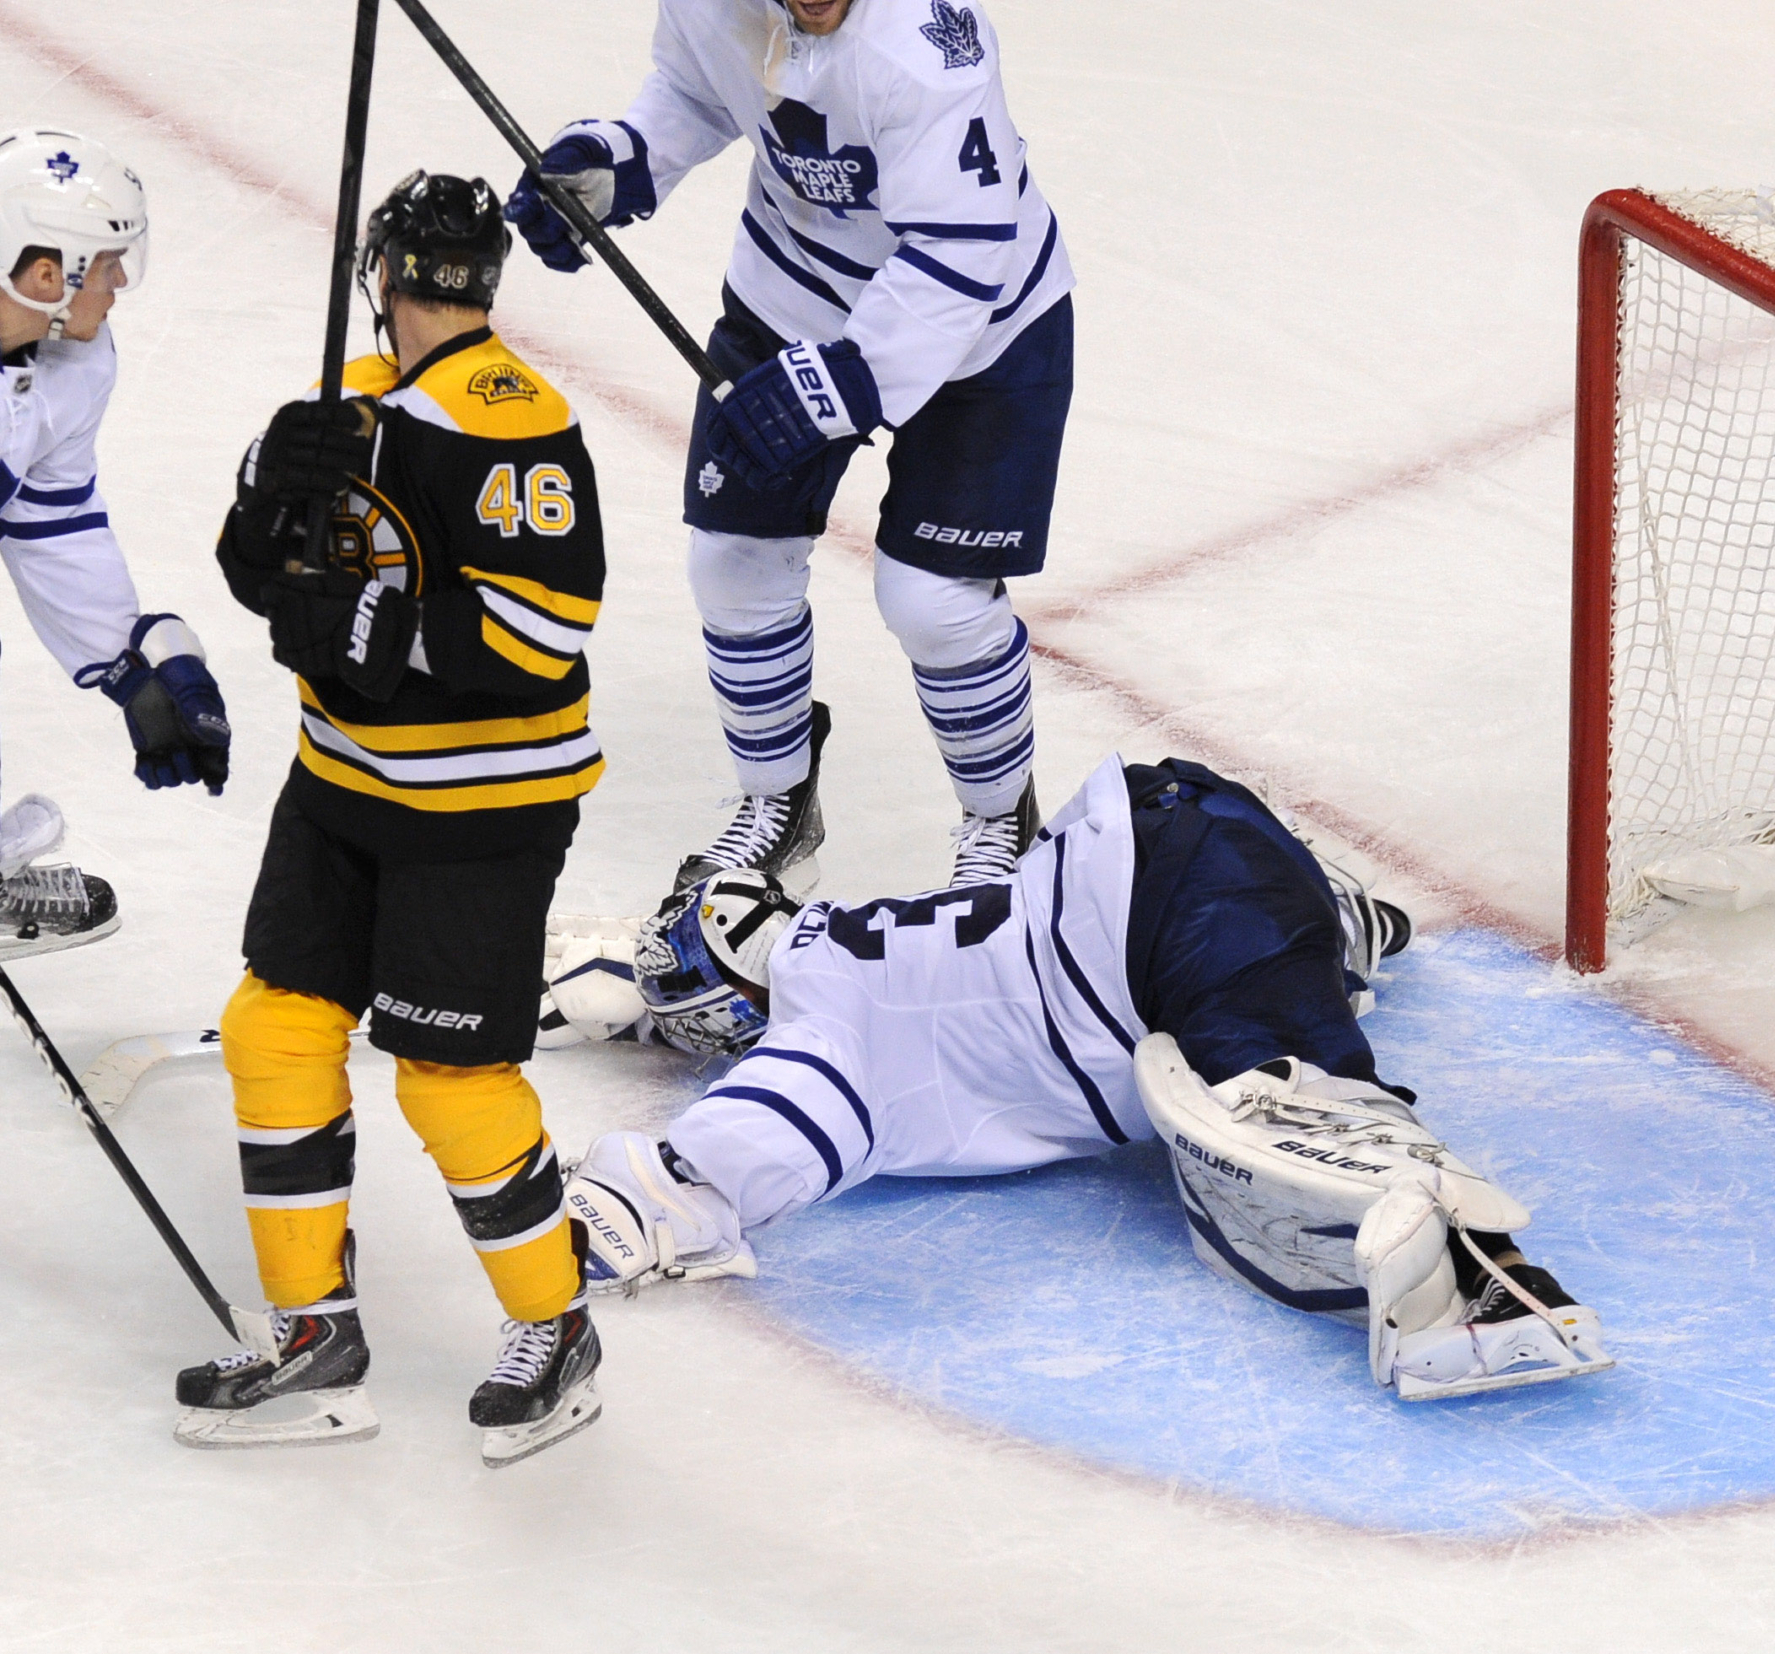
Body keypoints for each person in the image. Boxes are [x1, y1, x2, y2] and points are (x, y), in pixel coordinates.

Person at [556, 757, 1616, 1402]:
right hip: (1176, 827)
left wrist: (587, 1218)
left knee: (1308, 1104)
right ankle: (1346, 927)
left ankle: (1489, 1293)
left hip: (1172, 933)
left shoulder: (817, 1037)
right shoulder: (845, 941)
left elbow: (687, 1178)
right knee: (1268, 973)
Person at [174, 173, 607, 1467]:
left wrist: (361, 629)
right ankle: (315, 1334)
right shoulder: (348, 402)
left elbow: (542, 633)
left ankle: (557, 1323)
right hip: (344, 784)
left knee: (453, 1083)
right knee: (278, 1025)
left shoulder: (511, 421)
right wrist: (265, 492)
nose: (424, 297)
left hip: (482, 809)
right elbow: (266, 566)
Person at [504, 0, 1073, 894]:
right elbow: (698, 89)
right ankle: (778, 800)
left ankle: (1002, 816)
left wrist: (836, 386)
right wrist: (618, 164)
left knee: (931, 601)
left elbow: (962, 251)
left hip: (983, 328)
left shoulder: (928, 50)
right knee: (732, 562)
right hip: (789, 291)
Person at [0, 129, 231, 948]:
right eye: (103, 264)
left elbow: (52, 521)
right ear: (42, 273)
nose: (120, 282)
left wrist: (130, 665)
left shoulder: (67, 367)